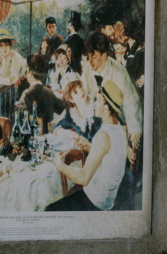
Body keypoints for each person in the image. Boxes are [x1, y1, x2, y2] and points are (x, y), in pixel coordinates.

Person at [46, 79, 134, 211]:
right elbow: (107, 155)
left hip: (94, 201)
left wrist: (60, 165)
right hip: (107, 196)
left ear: (105, 108)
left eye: (98, 101)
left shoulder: (103, 135)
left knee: (49, 210)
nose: (94, 103)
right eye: (75, 91)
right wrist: (90, 146)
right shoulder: (119, 130)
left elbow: (84, 178)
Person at [81, 32, 142, 150]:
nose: (90, 60)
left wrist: (134, 131)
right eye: (88, 56)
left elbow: (131, 103)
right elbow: (83, 92)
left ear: (104, 55)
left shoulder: (119, 72)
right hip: (98, 118)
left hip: (118, 122)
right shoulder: (89, 68)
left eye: (94, 56)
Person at [18, 54, 66, 134]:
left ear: (30, 73)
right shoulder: (49, 92)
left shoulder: (26, 94)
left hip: (32, 139)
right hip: (48, 138)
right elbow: (61, 108)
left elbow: (21, 120)